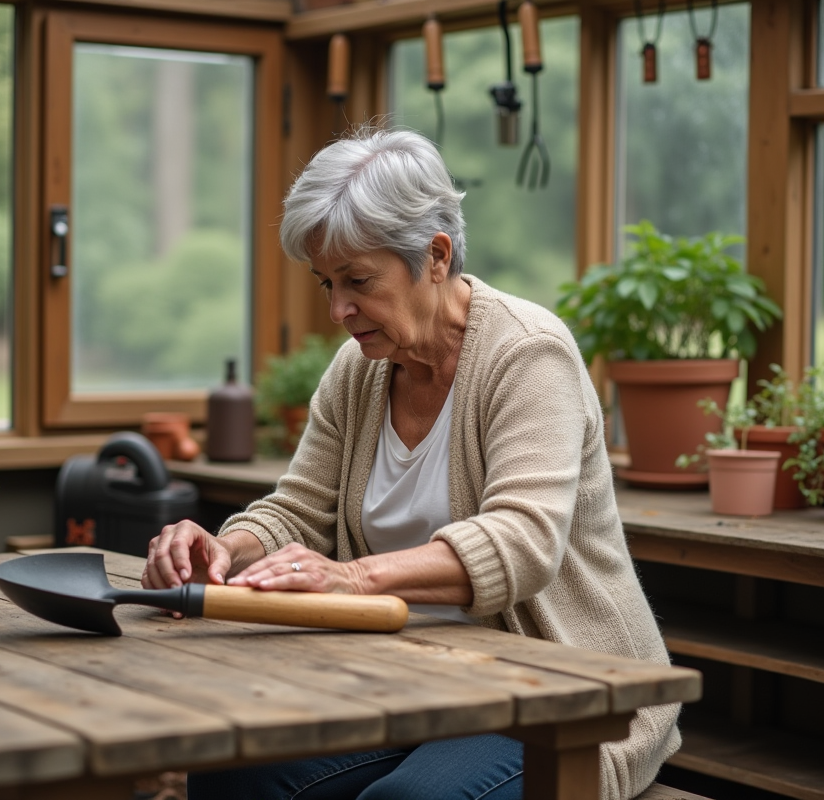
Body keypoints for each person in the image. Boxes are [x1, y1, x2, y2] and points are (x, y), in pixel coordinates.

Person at [142, 127, 680, 800]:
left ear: (435, 255)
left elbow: (524, 541)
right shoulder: (358, 369)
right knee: (232, 769)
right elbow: (299, 510)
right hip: (413, 679)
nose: (338, 309)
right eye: (327, 283)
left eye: (358, 280)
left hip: (566, 693)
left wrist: (352, 579)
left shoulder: (528, 354)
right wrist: (224, 549)